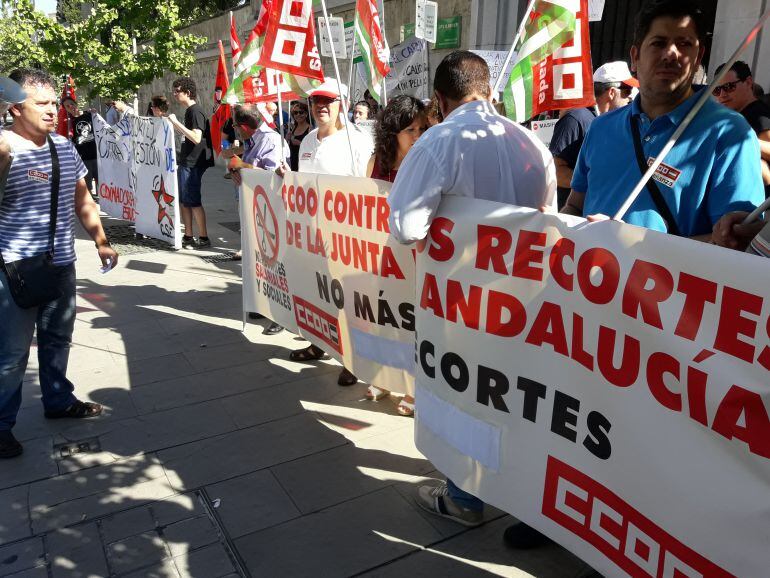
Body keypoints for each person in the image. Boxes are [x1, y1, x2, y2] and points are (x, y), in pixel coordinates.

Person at [386, 51, 556, 533]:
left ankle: (463, 495)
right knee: (513, 395)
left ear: (439, 100)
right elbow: (546, 222)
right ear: (488, 89)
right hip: (521, 300)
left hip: (461, 302)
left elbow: (404, 225)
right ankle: (516, 492)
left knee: (463, 391)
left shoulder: (439, 142)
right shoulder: (531, 142)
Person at [562, 0, 763, 240]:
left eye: (684, 44)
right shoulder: (601, 127)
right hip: (591, 276)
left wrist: (630, 247)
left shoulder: (730, 134)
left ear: (698, 57)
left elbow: (733, 242)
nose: (671, 54)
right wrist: (555, 225)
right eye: (659, 43)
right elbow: (575, 205)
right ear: (635, 58)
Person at [0, 68, 119, 459]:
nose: (53, 111)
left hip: (60, 265)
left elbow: (82, 199)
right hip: (12, 269)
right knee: (12, 356)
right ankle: (1, 426)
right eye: (43, 104)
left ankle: (57, 399)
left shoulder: (64, 148)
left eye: (55, 103)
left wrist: (101, 241)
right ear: (16, 108)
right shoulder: (5, 149)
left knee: (56, 342)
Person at [285, 80, 374, 387]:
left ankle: (353, 360)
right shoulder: (309, 140)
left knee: (346, 299)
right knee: (316, 291)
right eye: (316, 102)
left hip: (345, 237)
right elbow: (303, 184)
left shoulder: (357, 141)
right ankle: (319, 343)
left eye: (328, 101)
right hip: (312, 234)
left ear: (343, 104)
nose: (321, 107)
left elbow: (367, 188)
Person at [364, 94, 427, 416]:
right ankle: (385, 376)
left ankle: (416, 386)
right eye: (410, 130)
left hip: (416, 257)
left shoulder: (427, 163)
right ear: (393, 133)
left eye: (421, 129)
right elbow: (360, 205)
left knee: (414, 322)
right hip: (384, 255)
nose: (417, 137)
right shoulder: (377, 161)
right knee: (384, 319)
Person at [550, 61, 637, 208]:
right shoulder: (576, 118)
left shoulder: (612, 122)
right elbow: (555, 171)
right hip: (570, 216)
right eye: (627, 90)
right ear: (611, 92)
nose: (630, 97)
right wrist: (598, 184)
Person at [168, 77, 214, 249]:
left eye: (177, 91)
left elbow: (196, 137)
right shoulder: (191, 111)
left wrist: (175, 123)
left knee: (193, 200)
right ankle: (188, 235)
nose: (174, 94)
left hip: (194, 162)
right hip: (188, 161)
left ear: (187, 92)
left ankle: (203, 237)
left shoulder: (195, 112)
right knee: (185, 200)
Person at [713, 60, 770, 197]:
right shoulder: (736, 115)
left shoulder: (758, 114)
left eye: (729, 87)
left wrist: (743, 140)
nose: (722, 95)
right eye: (717, 90)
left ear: (748, 82)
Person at [61, 96, 98, 197]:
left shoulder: (89, 115)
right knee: (87, 186)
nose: (71, 107)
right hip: (83, 159)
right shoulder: (69, 122)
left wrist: (94, 113)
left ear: (76, 104)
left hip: (97, 155)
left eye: (71, 104)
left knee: (102, 182)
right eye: (67, 106)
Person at [287, 101, 311, 171]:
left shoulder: (310, 128)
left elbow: (312, 148)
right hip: (292, 161)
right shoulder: (293, 128)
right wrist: (287, 139)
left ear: (306, 114)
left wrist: (300, 143)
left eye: (301, 112)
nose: (298, 115)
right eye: (295, 113)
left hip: (303, 163)